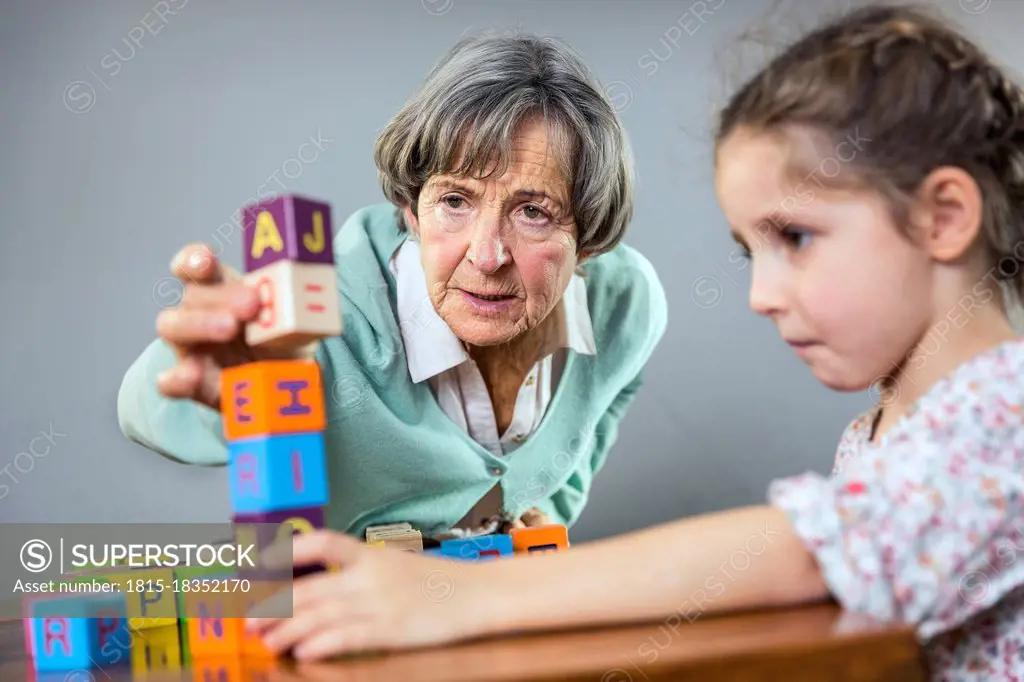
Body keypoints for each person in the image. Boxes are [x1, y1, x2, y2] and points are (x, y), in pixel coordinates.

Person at [243, 4, 1024, 678]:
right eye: (752, 253)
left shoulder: (1007, 418)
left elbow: (811, 553)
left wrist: (452, 596)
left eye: (797, 237)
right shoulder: (889, 434)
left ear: (943, 218)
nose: (759, 295)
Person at [117, 34, 666, 540]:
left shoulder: (624, 304)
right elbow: (147, 411)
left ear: (589, 237)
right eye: (454, 200)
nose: (486, 255)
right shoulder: (320, 320)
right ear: (410, 208)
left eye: (533, 212)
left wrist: (542, 521)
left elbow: (585, 438)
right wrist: (228, 380)